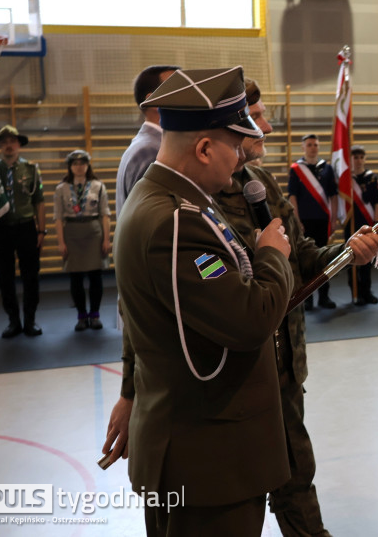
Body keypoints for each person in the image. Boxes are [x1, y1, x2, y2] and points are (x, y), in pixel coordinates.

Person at [112, 66, 294, 535]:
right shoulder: (177, 222)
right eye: (234, 145)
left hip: (199, 451)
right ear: (205, 148)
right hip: (208, 461)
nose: (240, 157)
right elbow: (250, 319)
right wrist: (273, 256)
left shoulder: (169, 202)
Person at [0, 125, 45, 338]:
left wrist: (41, 231)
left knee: (31, 275)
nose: (8, 146)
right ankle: (13, 321)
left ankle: (30, 320)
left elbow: (39, 201)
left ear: (19, 144)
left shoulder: (31, 169)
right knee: (4, 276)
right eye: (3, 142)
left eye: (12, 141)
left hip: (26, 227)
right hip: (0, 229)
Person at [53, 150, 111, 330]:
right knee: (75, 277)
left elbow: (105, 215)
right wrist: (61, 242)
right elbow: (58, 217)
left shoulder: (98, 186)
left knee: (95, 275)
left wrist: (106, 239)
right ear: (70, 167)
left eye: (83, 163)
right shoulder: (61, 188)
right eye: (75, 164)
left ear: (88, 165)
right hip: (71, 233)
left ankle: (95, 315)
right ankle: (81, 316)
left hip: (93, 233)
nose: (79, 167)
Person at [116, 65, 179, 214]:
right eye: (176, 89)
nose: (187, 96)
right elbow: (147, 216)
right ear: (153, 101)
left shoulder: (147, 144)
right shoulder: (150, 150)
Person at [288, 133, 338, 309]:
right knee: (306, 260)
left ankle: (324, 296)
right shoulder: (296, 169)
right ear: (303, 147)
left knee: (324, 259)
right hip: (304, 221)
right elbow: (292, 197)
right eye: (309, 145)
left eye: (315, 144)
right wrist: (297, 221)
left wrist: (333, 218)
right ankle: (307, 297)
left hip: (323, 220)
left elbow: (333, 196)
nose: (313, 148)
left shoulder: (327, 168)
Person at [347, 145, 378, 305]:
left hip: (367, 222)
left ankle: (367, 291)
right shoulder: (346, 179)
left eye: (361, 157)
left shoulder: (371, 177)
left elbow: (376, 201)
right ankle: (356, 292)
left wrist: (376, 221)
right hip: (351, 222)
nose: (359, 160)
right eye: (355, 157)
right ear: (350, 159)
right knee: (351, 258)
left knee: (367, 258)